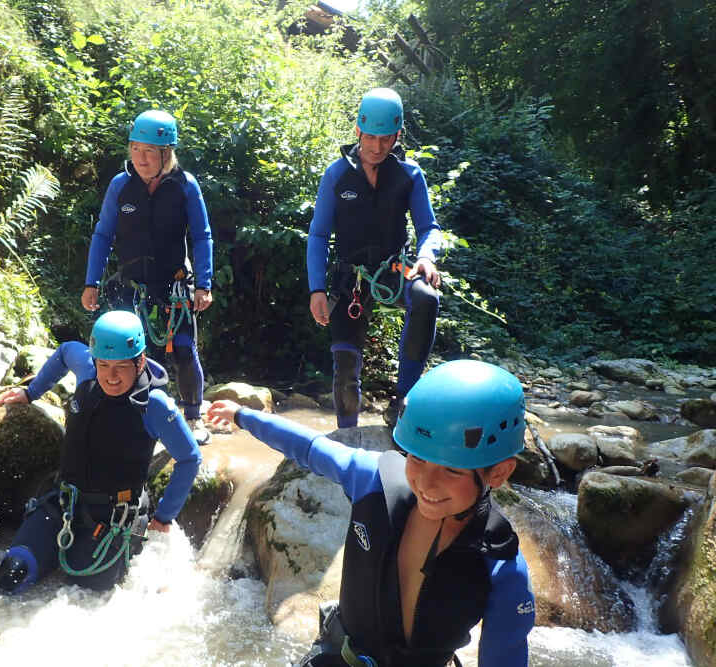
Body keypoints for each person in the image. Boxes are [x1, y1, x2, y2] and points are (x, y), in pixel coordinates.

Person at [207, 360, 535, 666]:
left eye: (451, 470)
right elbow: (309, 448)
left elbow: (504, 656)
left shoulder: (501, 565)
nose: (426, 484)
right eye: (417, 458)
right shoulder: (376, 481)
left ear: (498, 473)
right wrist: (243, 416)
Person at [0, 310, 202, 593]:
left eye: (120, 367)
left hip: (115, 518)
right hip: (63, 505)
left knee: (82, 599)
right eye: (104, 365)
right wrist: (31, 392)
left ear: (139, 362)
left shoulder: (155, 405)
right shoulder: (88, 372)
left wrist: (164, 516)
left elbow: (189, 458)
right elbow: (66, 351)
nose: (110, 377)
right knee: (11, 577)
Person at [307, 87, 443, 428]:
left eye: (386, 139)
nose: (377, 147)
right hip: (349, 275)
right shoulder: (337, 175)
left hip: (394, 267)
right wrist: (316, 289)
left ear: (397, 136)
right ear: (358, 132)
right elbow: (319, 235)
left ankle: (403, 402)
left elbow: (430, 227)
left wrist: (427, 257)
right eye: (371, 138)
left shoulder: (409, 175)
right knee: (344, 365)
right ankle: (348, 434)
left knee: (426, 297)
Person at [82, 109, 214, 445]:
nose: (141, 158)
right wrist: (91, 282)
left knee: (184, 350)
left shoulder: (185, 186)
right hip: (131, 288)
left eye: (149, 152)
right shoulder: (121, 186)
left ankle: (193, 416)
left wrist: (203, 284)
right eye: (136, 149)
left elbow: (201, 235)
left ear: (165, 153)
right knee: (136, 359)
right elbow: (102, 235)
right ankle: (142, 420)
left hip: (174, 287)